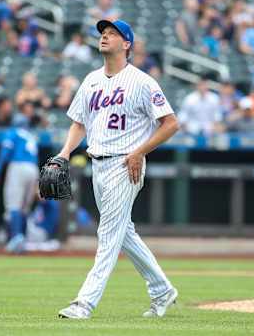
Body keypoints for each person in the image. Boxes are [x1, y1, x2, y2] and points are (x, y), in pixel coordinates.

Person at [56, 19, 179, 319]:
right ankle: (162, 290)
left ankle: (84, 303)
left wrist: (140, 151)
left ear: (127, 44)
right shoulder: (91, 80)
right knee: (123, 233)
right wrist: (64, 153)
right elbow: (79, 123)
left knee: (108, 234)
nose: (105, 37)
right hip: (97, 164)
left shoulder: (142, 81)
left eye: (112, 34)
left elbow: (171, 124)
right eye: (103, 33)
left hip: (127, 163)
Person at [0, 115, 39, 253]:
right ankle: (23, 239)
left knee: (13, 205)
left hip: (18, 167)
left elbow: (4, 152)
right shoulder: (31, 135)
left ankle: (16, 238)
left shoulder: (13, 132)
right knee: (24, 208)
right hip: (33, 169)